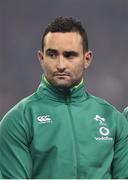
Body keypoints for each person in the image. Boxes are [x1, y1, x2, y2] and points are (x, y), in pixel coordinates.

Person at [0, 16, 128, 179]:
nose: (60, 65)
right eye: (52, 55)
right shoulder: (18, 121)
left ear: (87, 59)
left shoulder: (114, 120)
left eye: (69, 55)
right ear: (41, 58)